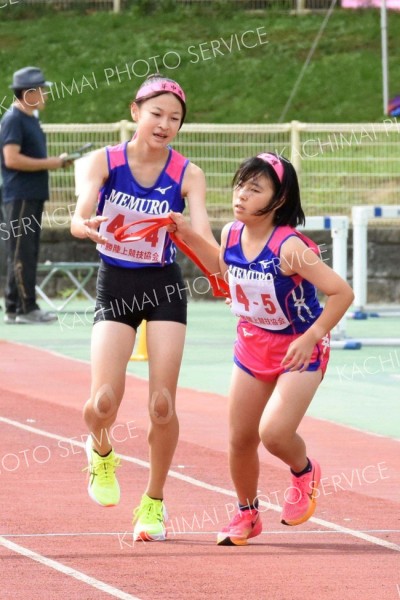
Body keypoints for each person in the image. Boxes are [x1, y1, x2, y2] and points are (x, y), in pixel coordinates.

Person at [169, 152, 354, 546]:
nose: (241, 196)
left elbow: (342, 292)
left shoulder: (291, 248)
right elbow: (222, 274)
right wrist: (185, 233)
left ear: (279, 200)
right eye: (240, 185)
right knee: (239, 439)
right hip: (252, 343)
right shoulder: (231, 234)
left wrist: (311, 337)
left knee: (273, 434)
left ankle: (303, 470)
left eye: (255, 190)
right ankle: (247, 513)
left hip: (298, 349)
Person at [70, 73, 218, 542]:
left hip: (163, 286)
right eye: (156, 114)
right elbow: (79, 215)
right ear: (136, 112)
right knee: (103, 402)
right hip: (115, 283)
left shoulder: (188, 174)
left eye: (175, 118)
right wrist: (84, 225)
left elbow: (209, 246)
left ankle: (153, 502)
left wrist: (184, 229)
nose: (165, 124)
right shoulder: (105, 161)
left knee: (161, 405)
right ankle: (101, 449)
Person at [0, 66, 71, 324]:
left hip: (30, 195)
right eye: (41, 90)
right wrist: (52, 163)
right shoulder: (13, 119)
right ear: (27, 93)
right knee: (22, 252)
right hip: (19, 196)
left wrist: (55, 162)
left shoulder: (30, 118)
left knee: (25, 251)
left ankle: (14, 307)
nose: (45, 94)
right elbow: (11, 158)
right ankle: (26, 307)